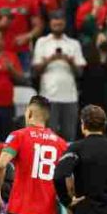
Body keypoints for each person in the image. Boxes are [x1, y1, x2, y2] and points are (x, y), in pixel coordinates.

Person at [31, 11, 86, 139]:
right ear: (50, 23)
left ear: (65, 23)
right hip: (48, 97)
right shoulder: (42, 42)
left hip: (70, 97)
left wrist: (69, 61)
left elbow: (80, 73)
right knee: (48, 137)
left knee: (69, 136)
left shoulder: (73, 43)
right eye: (55, 19)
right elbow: (35, 71)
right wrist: (50, 59)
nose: (58, 22)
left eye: (60, 19)